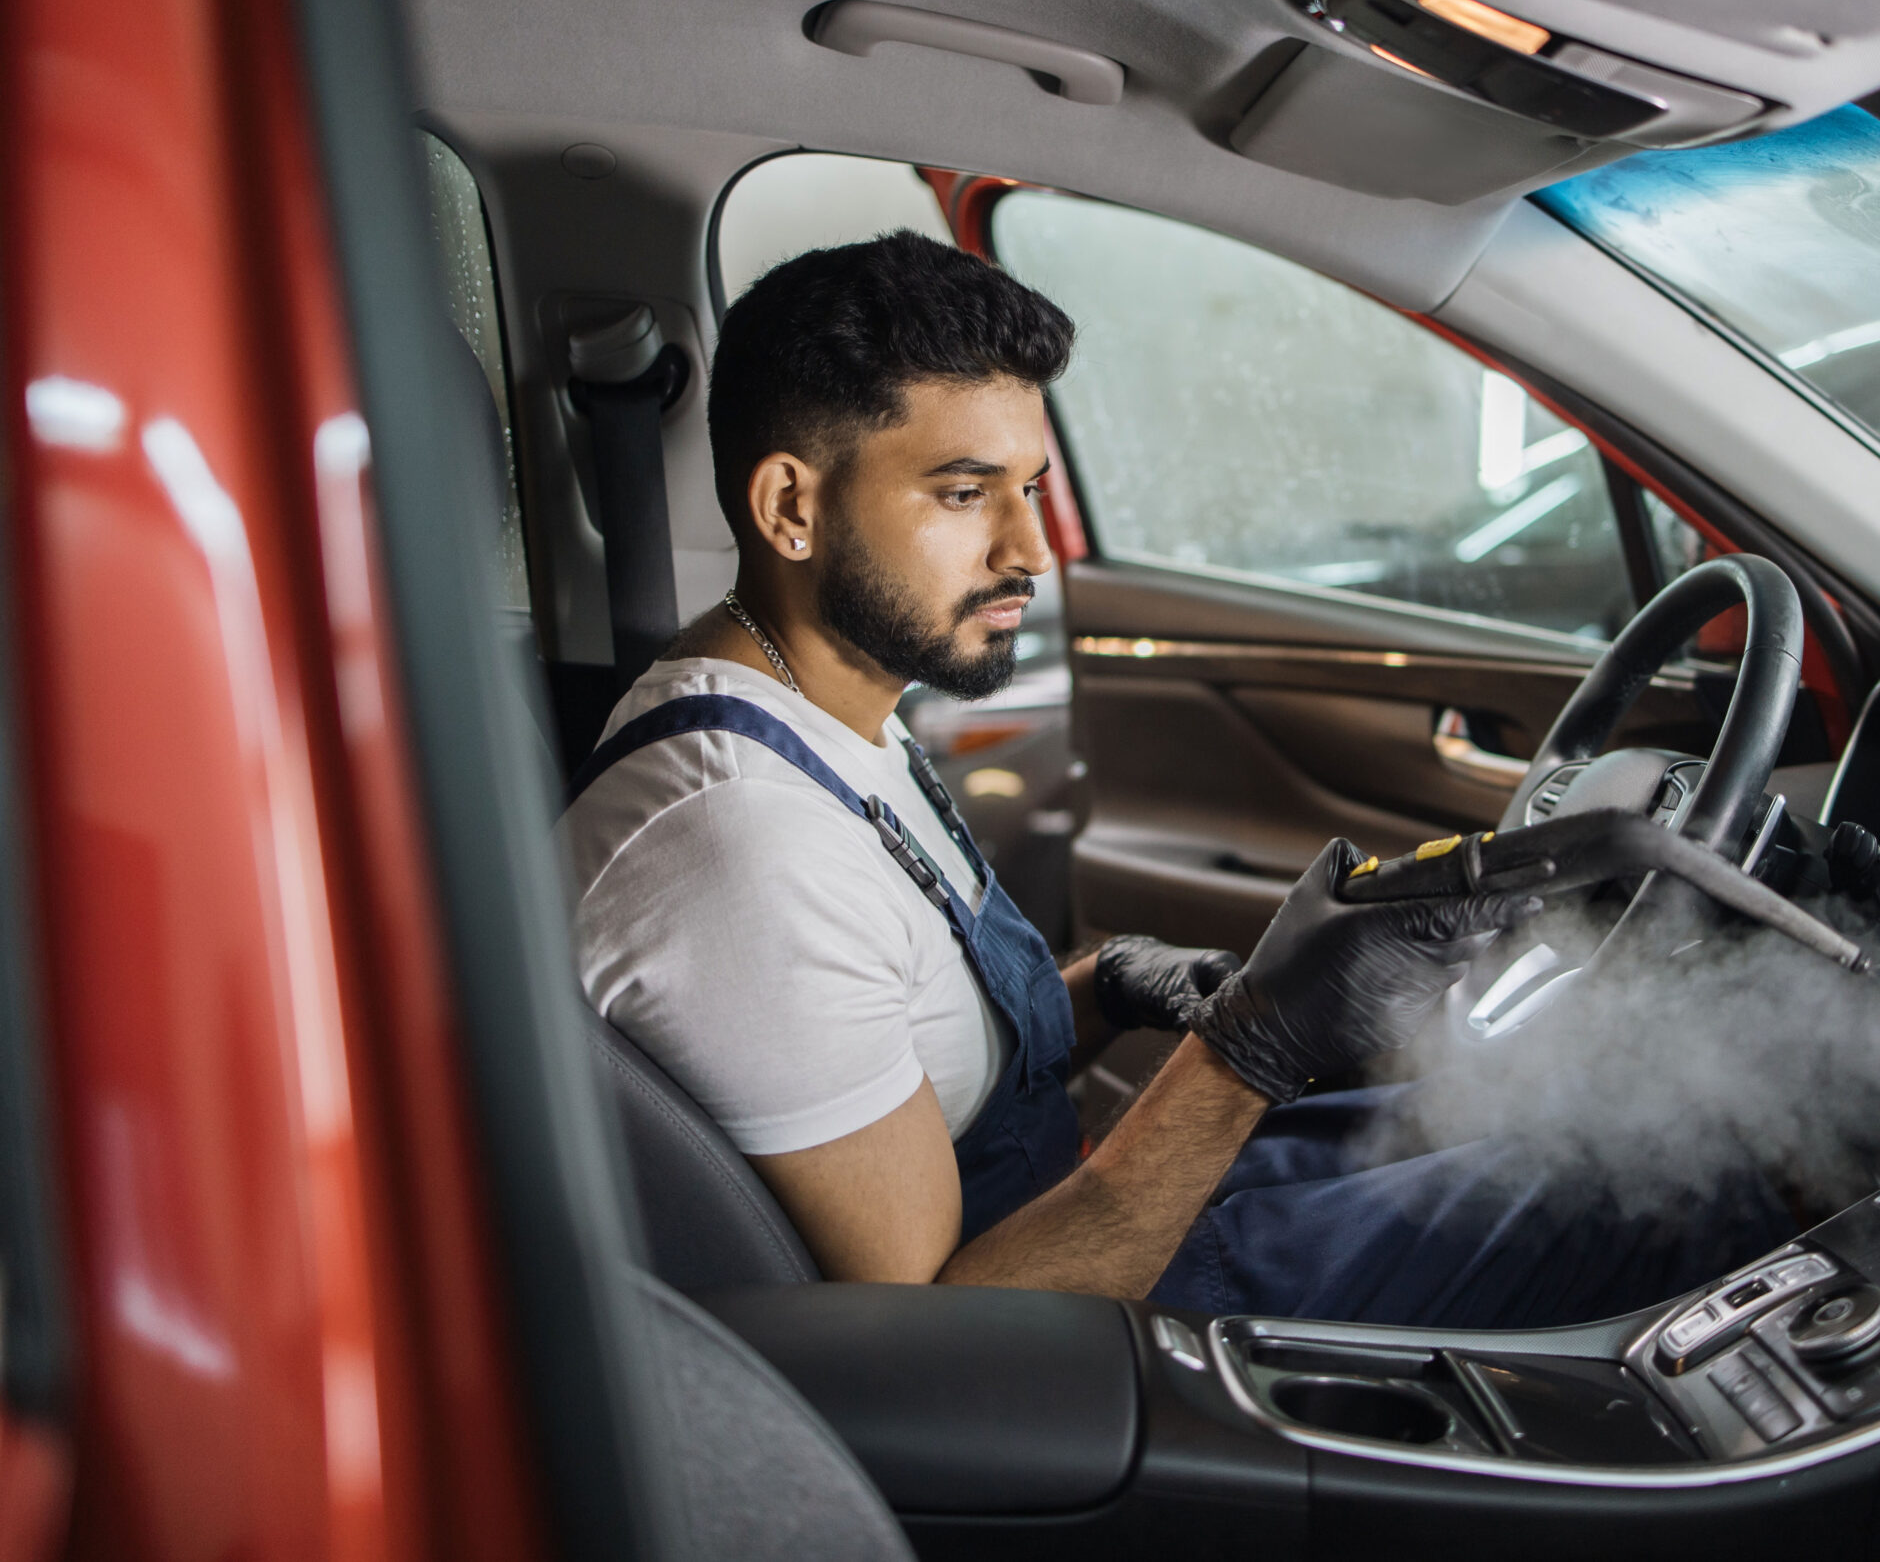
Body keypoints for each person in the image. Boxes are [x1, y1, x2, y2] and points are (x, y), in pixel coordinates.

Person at [560, 231, 1788, 1327]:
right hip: (1089, 1330)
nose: (1028, 550)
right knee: (1678, 1182)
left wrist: (1125, 984)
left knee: (1549, 1122)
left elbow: (922, 1046)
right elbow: (947, 1357)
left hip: (1081, 1234)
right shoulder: (740, 848)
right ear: (792, 507)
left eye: (1029, 487)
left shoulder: (825, 718)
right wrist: (1255, 1044)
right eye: (962, 492)